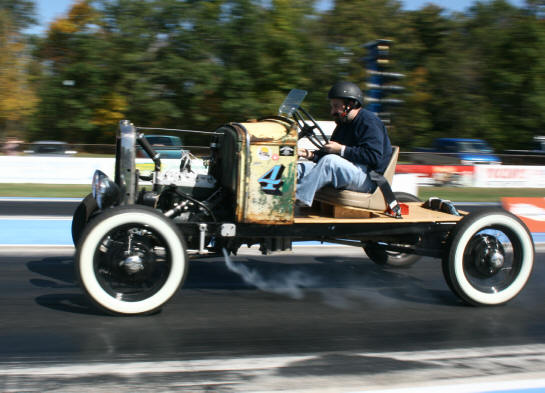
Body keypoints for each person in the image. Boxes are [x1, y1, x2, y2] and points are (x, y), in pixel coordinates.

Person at [295, 81, 392, 207]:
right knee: (301, 168)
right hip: (352, 172)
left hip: (368, 178)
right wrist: (309, 154)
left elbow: (373, 157)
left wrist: (341, 149)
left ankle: (296, 200)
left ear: (350, 104)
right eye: (332, 107)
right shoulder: (343, 124)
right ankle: (267, 192)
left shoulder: (369, 122)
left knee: (330, 162)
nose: (332, 112)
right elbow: (329, 155)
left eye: (336, 106)